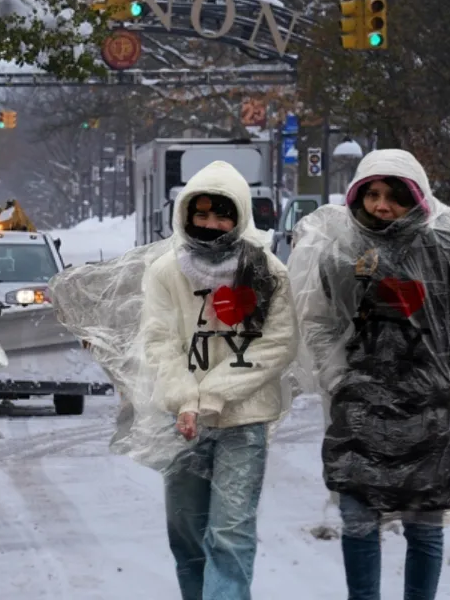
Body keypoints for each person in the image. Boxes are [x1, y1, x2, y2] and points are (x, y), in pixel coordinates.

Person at [290, 149, 450, 600]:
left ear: (417, 200)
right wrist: (336, 378)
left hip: (431, 414)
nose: (381, 206)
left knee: (424, 532)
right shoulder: (341, 256)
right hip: (361, 414)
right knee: (359, 523)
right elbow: (318, 323)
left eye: (394, 196)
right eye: (372, 194)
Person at [138, 161, 297, 600]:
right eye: (201, 214)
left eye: (222, 214)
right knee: (186, 534)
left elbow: (276, 344)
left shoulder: (266, 271)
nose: (211, 224)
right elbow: (159, 343)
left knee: (230, 533)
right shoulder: (166, 271)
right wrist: (185, 399)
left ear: (241, 214)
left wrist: (212, 395)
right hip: (183, 422)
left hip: (243, 422)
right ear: (186, 214)